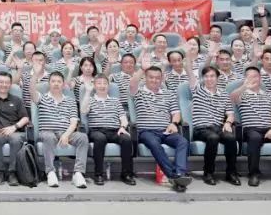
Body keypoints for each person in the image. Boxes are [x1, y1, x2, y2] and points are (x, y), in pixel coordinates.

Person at [130, 59, 191, 191]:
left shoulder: (169, 94)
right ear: (145, 78)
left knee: (183, 141)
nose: (154, 80)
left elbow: (176, 113)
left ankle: (180, 173)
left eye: (157, 78)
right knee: (154, 143)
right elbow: (133, 84)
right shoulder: (139, 92)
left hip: (165, 131)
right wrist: (142, 69)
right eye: (151, 77)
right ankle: (173, 176)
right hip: (146, 131)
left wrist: (174, 123)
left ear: (162, 79)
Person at [185, 59, 240, 186]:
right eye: (206, 76)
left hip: (217, 127)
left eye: (212, 76)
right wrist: (188, 58)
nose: (209, 79)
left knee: (231, 138)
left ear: (217, 78)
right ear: (203, 78)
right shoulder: (197, 89)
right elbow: (189, 72)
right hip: (201, 129)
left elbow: (230, 114)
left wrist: (228, 123)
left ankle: (231, 172)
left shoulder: (224, 94)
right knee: (213, 137)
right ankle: (208, 173)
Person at [35, 71, 88, 188]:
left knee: (83, 137)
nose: (56, 84)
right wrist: (35, 74)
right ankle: (50, 172)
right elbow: (31, 91)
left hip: (66, 131)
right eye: (53, 81)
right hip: (47, 131)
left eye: (59, 81)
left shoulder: (70, 100)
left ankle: (78, 173)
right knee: (49, 137)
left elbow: (74, 122)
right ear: (49, 83)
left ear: (63, 84)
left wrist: (66, 135)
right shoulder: (42, 98)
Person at [80, 74, 134, 186]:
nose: (102, 86)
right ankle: (98, 174)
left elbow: (123, 118)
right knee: (100, 139)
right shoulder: (90, 100)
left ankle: (126, 174)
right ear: (94, 85)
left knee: (126, 139)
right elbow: (83, 111)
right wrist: (88, 91)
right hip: (97, 131)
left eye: (105, 83)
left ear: (108, 86)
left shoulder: (115, 101)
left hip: (114, 130)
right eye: (99, 83)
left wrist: (123, 127)